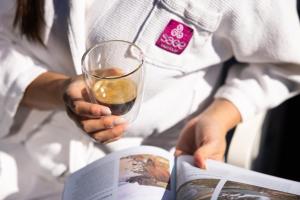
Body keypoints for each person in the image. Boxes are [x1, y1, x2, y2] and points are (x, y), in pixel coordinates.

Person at [0, 0, 300, 199]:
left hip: (144, 168)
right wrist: (58, 90)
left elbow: (286, 64)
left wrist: (220, 115)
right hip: (18, 147)